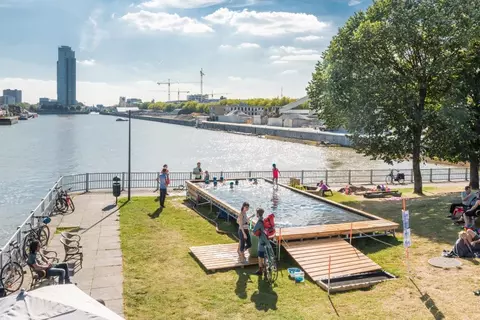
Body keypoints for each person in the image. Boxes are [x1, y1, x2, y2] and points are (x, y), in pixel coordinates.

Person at [252, 208, 268, 276]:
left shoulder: (259, 221)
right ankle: (266, 269)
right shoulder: (265, 220)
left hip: (262, 241)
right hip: (267, 240)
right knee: (265, 256)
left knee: (260, 256)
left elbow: (254, 231)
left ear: (258, 214)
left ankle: (260, 270)